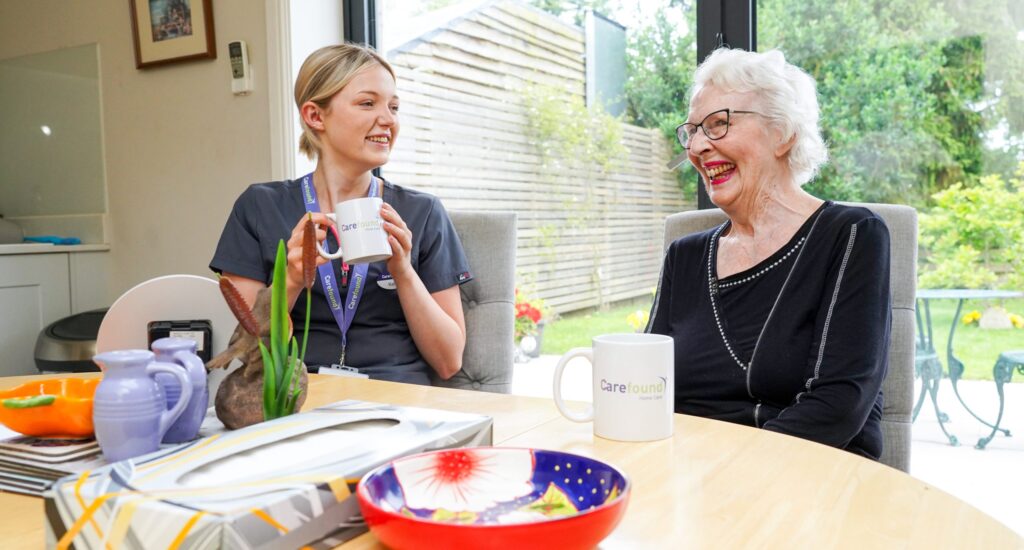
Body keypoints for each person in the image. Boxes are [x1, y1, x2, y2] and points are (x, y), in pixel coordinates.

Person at [646, 48, 891, 460]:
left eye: (719, 124)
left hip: (807, 482)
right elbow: (647, 385)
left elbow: (837, 404)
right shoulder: (684, 256)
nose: (698, 147)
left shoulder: (850, 235)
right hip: (690, 481)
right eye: (692, 131)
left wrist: (723, 469)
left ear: (783, 133)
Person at [210, 43, 471, 385]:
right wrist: (290, 278)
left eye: (394, 107)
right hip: (298, 393)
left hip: (397, 398)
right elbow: (247, 346)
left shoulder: (422, 212)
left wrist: (403, 271)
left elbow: (449, 360)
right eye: (368, 103)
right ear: (315, 116)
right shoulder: (260, 207)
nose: (388, 120)